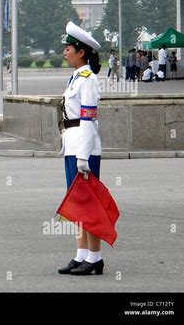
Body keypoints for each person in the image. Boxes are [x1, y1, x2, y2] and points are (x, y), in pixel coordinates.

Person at [58, 21, 104, 276]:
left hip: (83, 149)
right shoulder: (76, 77)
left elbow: (87, 119)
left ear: (81, 52)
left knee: (89, 205)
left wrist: (84, 156)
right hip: (73, 146)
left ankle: (95, 258)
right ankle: (81, 254)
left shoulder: (88, 80)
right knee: (77, 204)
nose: (64, 51)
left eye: (68, 48)